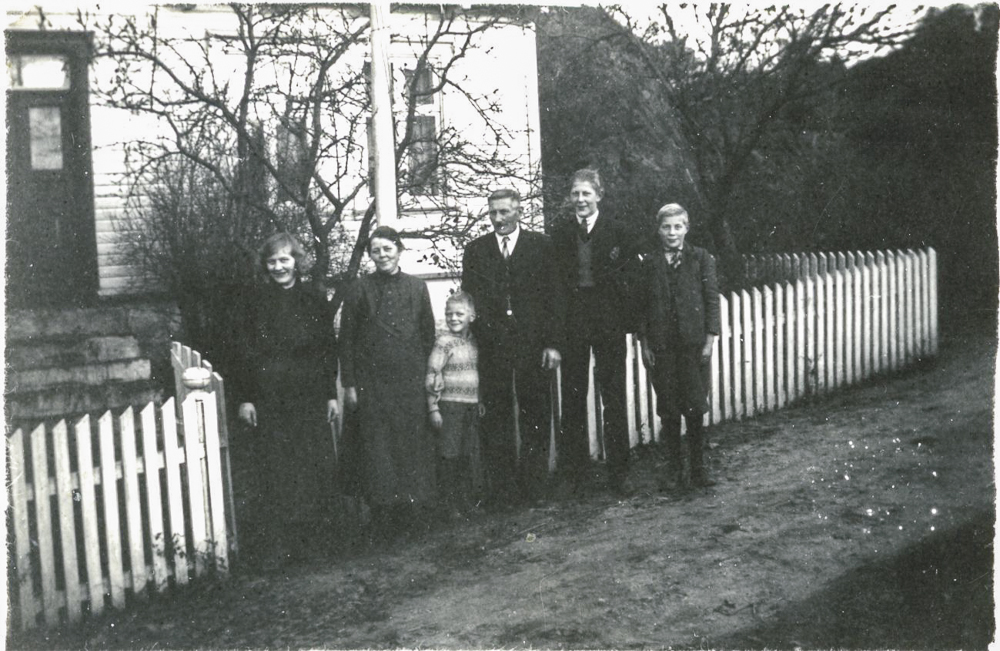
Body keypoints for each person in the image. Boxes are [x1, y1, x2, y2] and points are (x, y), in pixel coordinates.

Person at [235, 232, 340, 568]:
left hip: (308, 395)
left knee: (312, 467)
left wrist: (330, 395)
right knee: (276, 469)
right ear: (265, 266)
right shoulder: (253, 302)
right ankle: (279, 547)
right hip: (270, 397)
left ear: (296, 261)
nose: (279, 267)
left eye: (284, 259)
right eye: (272, 261)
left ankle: (314, 544)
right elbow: (244, 353)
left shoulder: (313, 298)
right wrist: (246, 398)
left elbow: (327, 349)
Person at [462, 189, 564, 506]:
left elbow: (555, 296)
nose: (498, 219)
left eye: (504, 212)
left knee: (535, 412)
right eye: (493, 212)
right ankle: (503, 491)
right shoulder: (476, 250)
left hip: (533, 344)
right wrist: (478, 338)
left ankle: (535, 487)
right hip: (493, 346)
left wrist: (552, 343)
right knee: (496, 417)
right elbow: (470, 299)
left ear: (518, 211)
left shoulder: (541, 246)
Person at [339, 225, 437, 543]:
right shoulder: (359, 289)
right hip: (373, 385)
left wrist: (428, 376)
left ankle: (410, 516)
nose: (382, 255)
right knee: (378, 450)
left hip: (410, 382)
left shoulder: (417, 287)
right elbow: (347, 340)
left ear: (399, 250)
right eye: (376, 251)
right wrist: (350, 384)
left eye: (388, 249)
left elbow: (427, 334)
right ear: (370, 255)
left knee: (410, 447)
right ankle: (382, 517)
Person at [551, 168, 641, 495]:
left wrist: (625, 318)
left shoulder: (618, 231)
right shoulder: (560, 233)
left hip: (608, 321)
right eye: (575, 193)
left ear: (599, 195)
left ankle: (620, 473)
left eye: (586, 193)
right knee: (573, 396)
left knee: (613, 396)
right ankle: (574, 474)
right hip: (574, 322)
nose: (580, 199)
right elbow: (555, 285)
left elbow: (633, 278)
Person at [638, 204, 720, 489]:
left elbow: (711, 299)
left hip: (693, 345)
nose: (672, 233)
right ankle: (674, 470)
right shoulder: (649, 262)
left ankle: (698, 469)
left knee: (695, 407)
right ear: (658, 229)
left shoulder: (701, 258)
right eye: (666, 227)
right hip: (662, 347)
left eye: (677, 227)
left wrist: (709, 339)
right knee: (669, 409)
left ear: (686, 228)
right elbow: (642, 306)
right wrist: (645, 343)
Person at [425, 291, 484, 518]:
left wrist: (479, 400)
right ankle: (449, 506)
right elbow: (432, 375)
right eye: (449, 314)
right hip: (449, 406)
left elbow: (476, 375)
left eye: (459, 314)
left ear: (472, 316)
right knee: (449, 454)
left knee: (466, 454)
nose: (453, 318)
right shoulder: (443, 343)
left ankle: (465, 501)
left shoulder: (474, 342)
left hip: (470, 405)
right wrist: (433, 407)